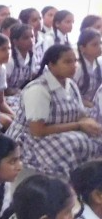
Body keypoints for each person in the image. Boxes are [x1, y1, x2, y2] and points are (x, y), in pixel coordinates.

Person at [8, 45, 101, 179]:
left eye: (75, 61)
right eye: (67, 62)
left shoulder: (70, 85)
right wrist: (78, 126)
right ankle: (70, 182)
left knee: (95, 135)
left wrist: (90, 124)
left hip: (58, 133)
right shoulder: (39, 89)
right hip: (29, 140)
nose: (73, 66)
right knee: (72, 143)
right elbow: (37, 130)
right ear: (51, 65)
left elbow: (81, 115)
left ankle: (90, 180)